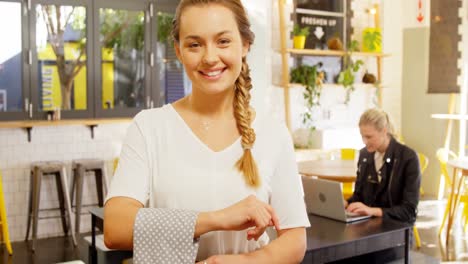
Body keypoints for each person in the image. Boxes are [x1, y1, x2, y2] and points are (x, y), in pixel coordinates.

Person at [104, 0, 310, 263]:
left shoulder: (273, 133)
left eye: (223, 41)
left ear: (245, 45)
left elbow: (294, 240)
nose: (210, 58)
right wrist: (217, 219)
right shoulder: (149, 127)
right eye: (194, 44)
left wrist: (241, 262)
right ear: (178, 51)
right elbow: (115, 227)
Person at [341, 108, 421, 263]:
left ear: (384, 131)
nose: (364, 141)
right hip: (368, 230)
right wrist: (347, 203)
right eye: (362, 136)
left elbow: (409, 211)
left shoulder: (408, 158)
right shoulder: (364, 155)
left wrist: (373, 211)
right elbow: (359, 196)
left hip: (396, 233)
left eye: (369, 136)